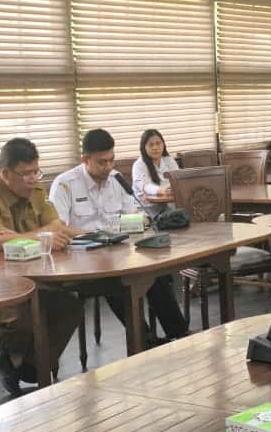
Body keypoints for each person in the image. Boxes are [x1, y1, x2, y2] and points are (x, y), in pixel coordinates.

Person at [0, 137, 81, 396]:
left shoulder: (36, 190)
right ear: (4, 173)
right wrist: (42, 234)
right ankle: (8, 357)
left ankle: (29, 366)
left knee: (70, 305)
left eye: (35, 171)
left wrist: (90, 234)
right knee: (24, 314)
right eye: (25, 174)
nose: (32, 179)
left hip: (31, 269)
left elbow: (56, 226)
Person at [49, 129, 189, 342]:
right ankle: (146, 340)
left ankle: (179, 333)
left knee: (154, 271)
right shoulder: (65, 183)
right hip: (82, 259)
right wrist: (98, 234)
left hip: (118, 250)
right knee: (120, 280)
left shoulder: (116, 180)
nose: (108, 167)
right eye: (101, 162)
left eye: (111, 160)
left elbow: (133, 213)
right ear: (85, 159)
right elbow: (58, 227)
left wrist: (139, 220)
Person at [132, 129, 179, 209]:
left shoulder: (169, 160)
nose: (155, 147)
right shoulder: (139, 165)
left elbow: (178, 180)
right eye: (151, 144)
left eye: (158, 143)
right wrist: (162, 191)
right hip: (148, 210)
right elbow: (145, 186)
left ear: (163, 144)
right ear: (144, 147)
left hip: (171, 206)